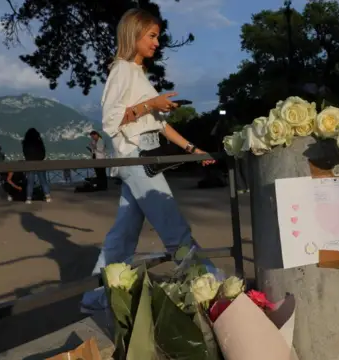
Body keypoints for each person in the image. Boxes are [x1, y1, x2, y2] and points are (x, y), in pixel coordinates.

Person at [80, 8, 216, 314]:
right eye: (152, 36)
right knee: (173, 226)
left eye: (158, 36)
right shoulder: (123, 70)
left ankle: (98, 296)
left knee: (123, 234)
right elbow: (112, 121)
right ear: (134, 34)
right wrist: (150, 103)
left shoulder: (138, 74)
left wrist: (192, 148)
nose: (157, 42)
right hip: (135, 158)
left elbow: (159, 124)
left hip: (142, 157)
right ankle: (209, 285)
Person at [22, 128, 52, 204]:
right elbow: (43, 152)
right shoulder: (39, 142)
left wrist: (28, 159)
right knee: (43, 181)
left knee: (30, 182)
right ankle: (48, 196)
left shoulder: (25, 143)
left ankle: (29, 198)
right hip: (40, 163)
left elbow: (25, 153)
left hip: (30, 163)